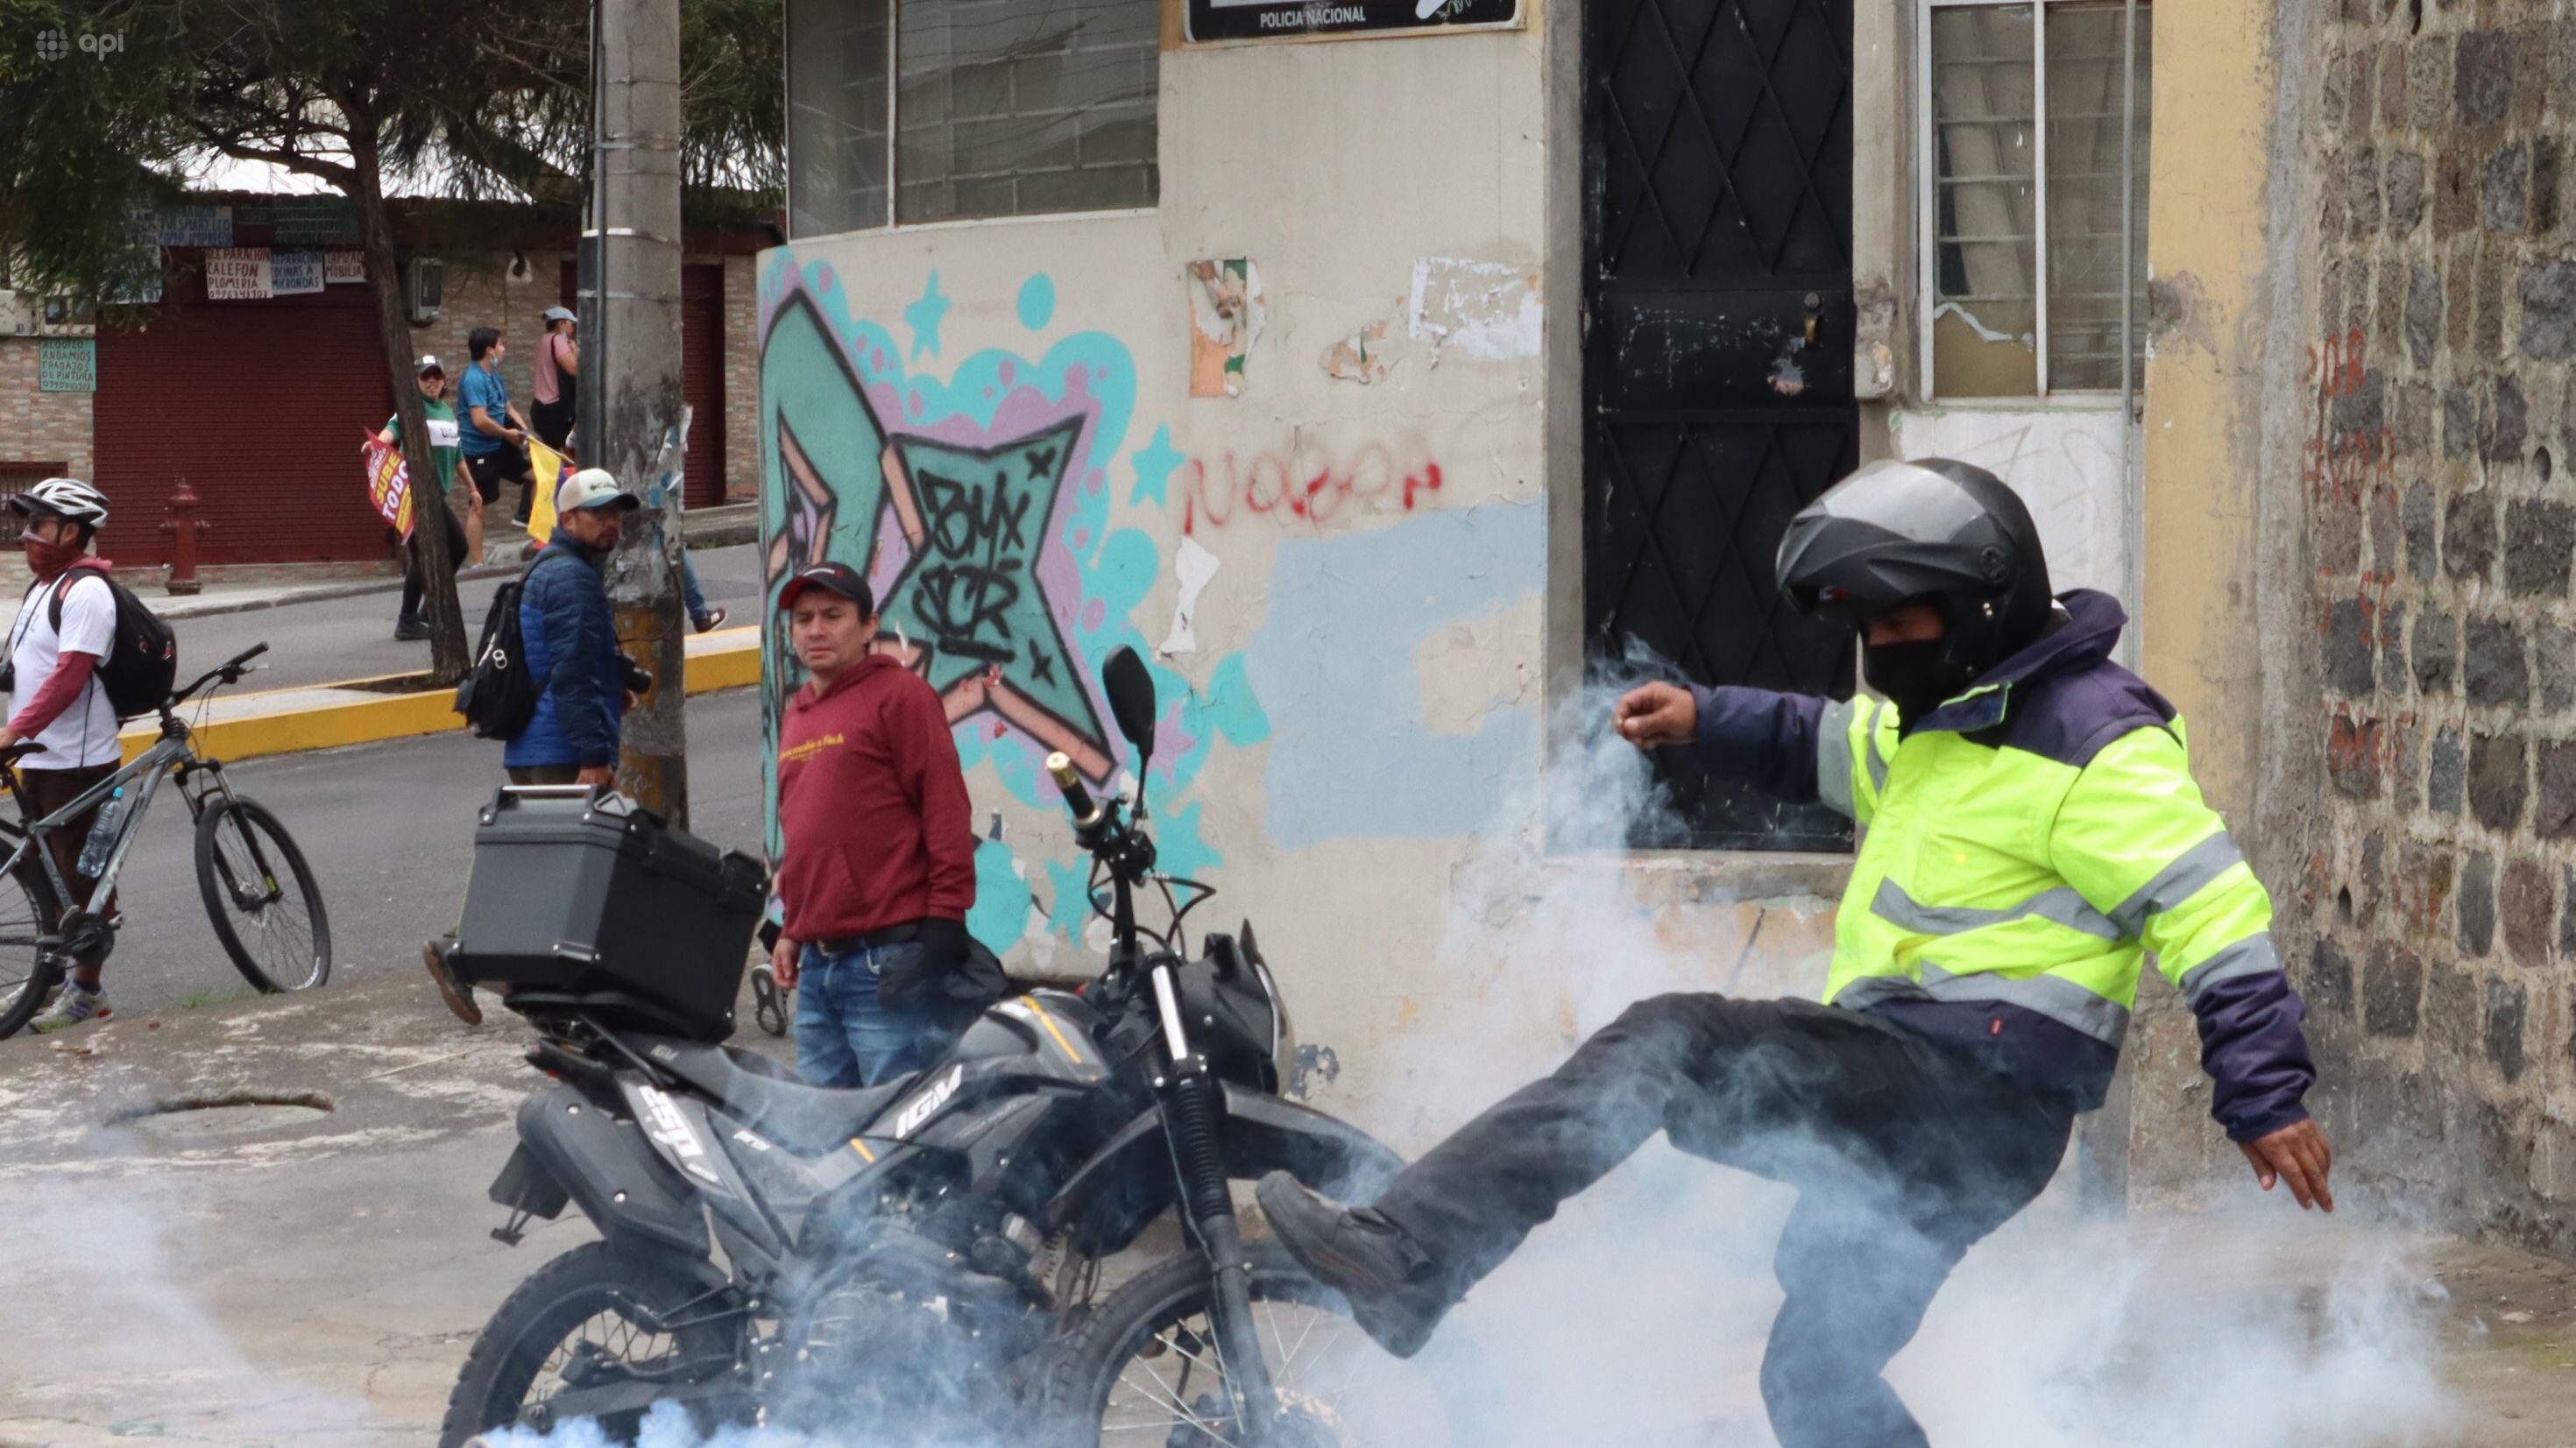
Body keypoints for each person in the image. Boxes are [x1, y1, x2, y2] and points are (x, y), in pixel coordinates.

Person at [1255, 458, 2332, 1448]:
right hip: (1932, 1110)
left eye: (1902, 622)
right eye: (1869, 630)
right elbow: (1822, 739)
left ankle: (1412, 1255)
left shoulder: (2095, 736)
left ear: (1983, 604)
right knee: (1814, 1379)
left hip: (1973, 1094)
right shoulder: (1937, 720)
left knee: (1670, 1042)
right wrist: (1703, 717)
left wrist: (2264, 1092)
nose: (1883, 650)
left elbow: (2210, 909)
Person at [765, 562, 980, 1088]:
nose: (816, 630)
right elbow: (805, 832)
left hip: (887, 965)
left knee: (897, 1123)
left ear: (868, 626)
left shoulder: (900, 696)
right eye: (803, 619)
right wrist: (791, 928)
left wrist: (946, 920)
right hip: (817, 970)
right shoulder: (798, 713)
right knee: (824, 1127)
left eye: (833, 615)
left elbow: (945, 809)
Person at [0, 480, 126, 1030]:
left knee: (82, 876)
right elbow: (20, 667)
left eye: (38, 525)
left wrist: (13, 732)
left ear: (71, 532)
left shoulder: (88, 593)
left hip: (79, 762)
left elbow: (69, 678)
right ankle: (47, 980)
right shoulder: (43, 588)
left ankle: (88, 991)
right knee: (41, 871)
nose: (27, 536)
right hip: (40, 756)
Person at [501, 467, 648, 788]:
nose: (611, 522)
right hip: (562, 756)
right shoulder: (571, 578)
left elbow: (553, 656)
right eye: (598, 513)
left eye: (615, 513)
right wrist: (593, 756)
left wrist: (611, 684)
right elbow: (573, 673)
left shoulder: (552, 565)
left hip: (538, 748)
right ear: (568, 520)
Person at [379, 355, 479, 639]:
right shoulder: (412, 408)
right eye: (426, 376)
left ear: (444, 380)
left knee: (458, 548)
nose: (432, 381)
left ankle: (427, 611)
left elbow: (458, 454)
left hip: (436, 496)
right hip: (414, 495)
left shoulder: (446, 412)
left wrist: (472, 488)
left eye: (437, 375)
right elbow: (392, 430)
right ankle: (407, 621)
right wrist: (376, 445)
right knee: (423, 557)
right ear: (416, 381)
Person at [458, 326, 540, 529]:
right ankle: (475, 553)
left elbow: (508, 408)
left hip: (500, 445)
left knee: (539, 476)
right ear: (489, 350)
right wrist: (507, 434)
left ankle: (537, 533)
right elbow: (479, 420)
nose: (503, 349)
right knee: (478, 506)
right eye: (501, 345)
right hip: (479, 451)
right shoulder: (474, 378)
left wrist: (526, 432)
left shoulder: (494, 376)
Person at [530, 307, 577, 455]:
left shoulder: (544, 340)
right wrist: (574, 350)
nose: (573, 329)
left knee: (549, 454)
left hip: (539, 407)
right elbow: (574, 369)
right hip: (554, 409)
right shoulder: (558, 340)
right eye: (571, 325)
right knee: (568, 452)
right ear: (561, 324)